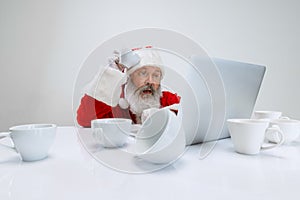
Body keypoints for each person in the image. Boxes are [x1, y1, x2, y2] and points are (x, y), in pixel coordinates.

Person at [76, 46, 181, 127]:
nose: (150, 81)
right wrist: (111, 74)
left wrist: (164, 116)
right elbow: (84, 119)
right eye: (143, 73)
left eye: (156, 75)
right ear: (130, 77)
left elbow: (189, 115)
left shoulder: (167, 99)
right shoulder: (114, 103)